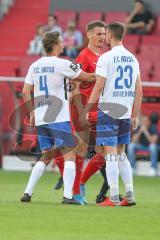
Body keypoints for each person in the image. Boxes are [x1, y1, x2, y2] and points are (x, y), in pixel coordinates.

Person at [20, 31, 96, 205]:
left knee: (45, 155)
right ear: (54, 45)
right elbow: (88, 77)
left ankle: (27, 193)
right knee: (69, 154)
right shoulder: (62, 64)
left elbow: (25, 91)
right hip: (59, 116)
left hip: (40, 116)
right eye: (61, 42)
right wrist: (104, 75)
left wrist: (32, 113)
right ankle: (68, 196)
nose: (63, 45)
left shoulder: (35, 65)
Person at [82, 22, 143, 206]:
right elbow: (139, 91)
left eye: (105, 34)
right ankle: (130, 193)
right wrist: (135, 115)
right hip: (125, 111)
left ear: (109, 35)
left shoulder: (106, 58)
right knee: (121, 153)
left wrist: (87, 109)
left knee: (110, 155)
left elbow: (99, 85)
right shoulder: (133, 58)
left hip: (108, 110)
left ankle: (114, 196)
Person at [53, 20, 107, 205]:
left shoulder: (103, 56)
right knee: (82, 150)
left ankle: (81, 182)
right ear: (89, 35)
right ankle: (75, 192)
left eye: (104, 34)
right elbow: (73, 87)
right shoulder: (83, 57)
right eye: (98, 34)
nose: (102, 37)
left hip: (98, 108)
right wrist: (82, 111)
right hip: (81, 108)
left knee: (105, 151)